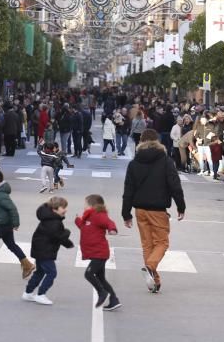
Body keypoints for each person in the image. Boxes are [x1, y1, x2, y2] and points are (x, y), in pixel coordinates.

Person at [121, 128, 186, 294]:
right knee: (162, 243)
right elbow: (174, 185)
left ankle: (154, 281)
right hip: (158, 209)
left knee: (147, 245)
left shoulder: (134, 163)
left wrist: (126, 213)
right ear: (157, 142)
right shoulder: (165, 161)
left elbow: (128, 189)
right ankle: (150, 267)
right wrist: (181, 206)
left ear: (141, 142)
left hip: (140, 210)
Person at [23, 196, 74, 305]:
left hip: (40, 250)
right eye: (63, 207)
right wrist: (67, 233)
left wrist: (67, 243)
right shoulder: (54, 221)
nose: (66, 209)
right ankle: (41, 294)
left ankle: (28, 293)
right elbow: (57, 236)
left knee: (40, 272)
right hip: (45, 251)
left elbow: (56, 236)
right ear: (55, 209)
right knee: (52, 273)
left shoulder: (49, 218)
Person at [77, 194, 121, 310]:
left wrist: (112, 229)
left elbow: (108, 222)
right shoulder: (88, 217)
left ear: (92, 205)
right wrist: (78, 220)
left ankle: (102, 292)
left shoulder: (98, 215)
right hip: (97, 253)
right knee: (101, 278)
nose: (84, 207)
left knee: (89, 274)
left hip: (100, 253)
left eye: (85, 204)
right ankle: (114, 300)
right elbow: (84, 227)